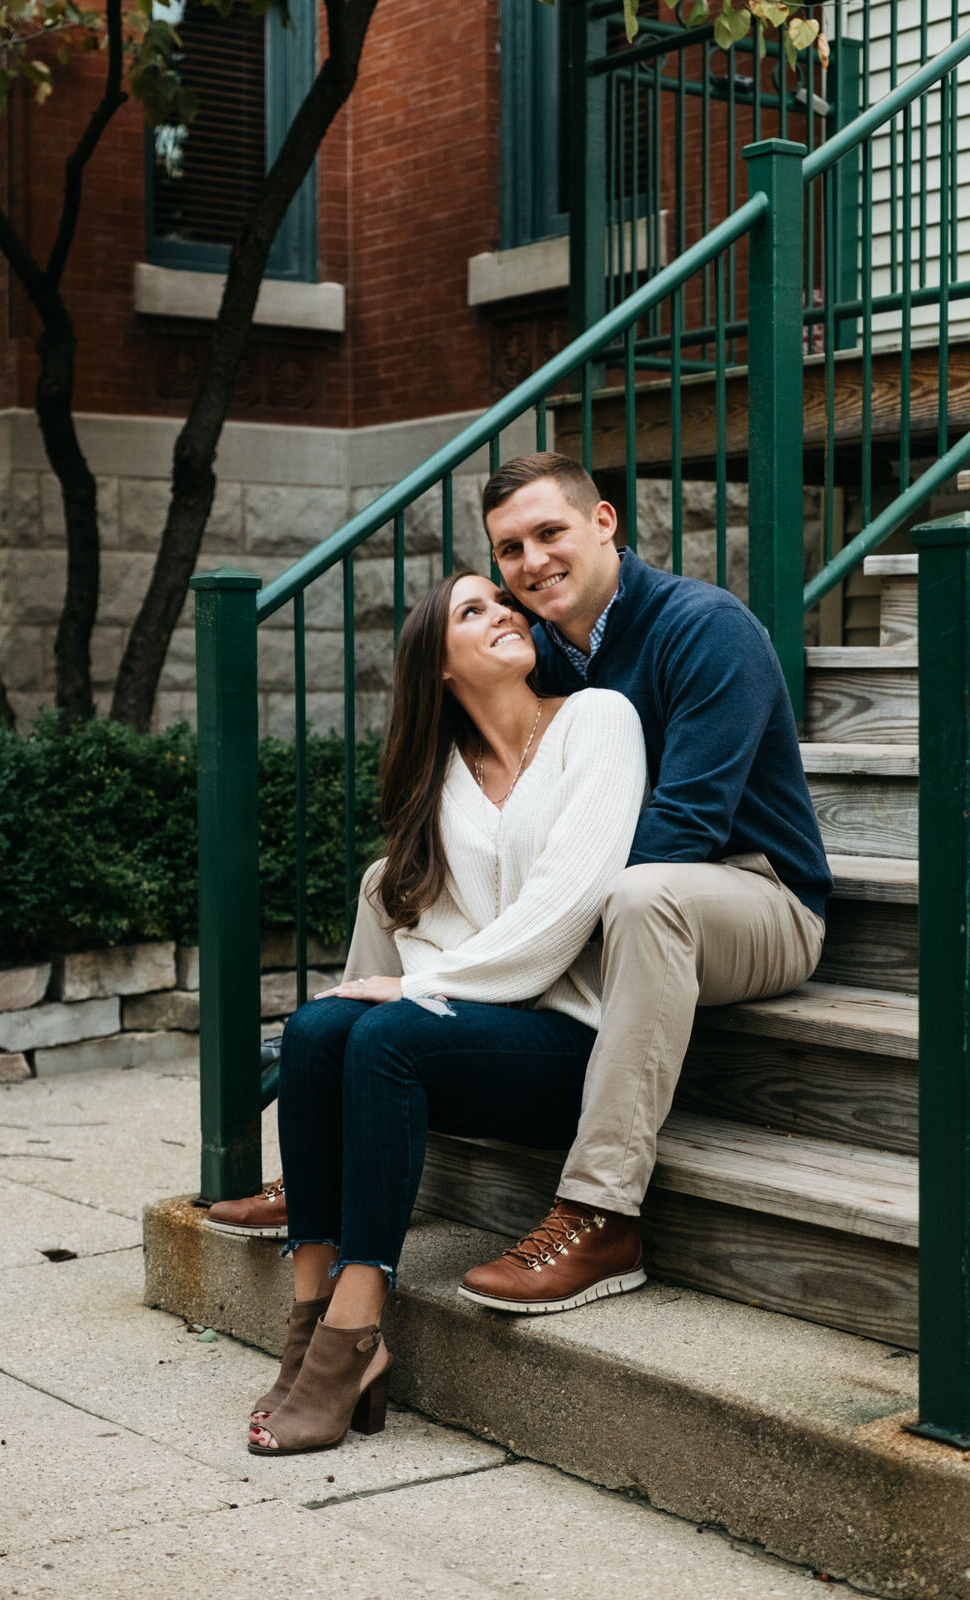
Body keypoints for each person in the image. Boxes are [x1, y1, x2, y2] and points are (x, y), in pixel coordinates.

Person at [245, 568, 648, 1455]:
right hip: (469, 1031)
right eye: (475, 610)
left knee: (386, 1032)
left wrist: (423, 985)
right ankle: (310, 1311)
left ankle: (356, 1329)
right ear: (438, 666)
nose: (506, 611)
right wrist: (421, 981)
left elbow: (570, 902)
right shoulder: (438, 778)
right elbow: (423, 927)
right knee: (315, 1028)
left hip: (569, 1039)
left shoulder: (597, 720)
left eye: (503, 602)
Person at [448, 451, 831, 1311]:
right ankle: (326, 1159)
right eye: (509, 550)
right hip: (616, 903)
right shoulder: (540, 655)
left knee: (642, 894)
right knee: (386, 879)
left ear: (604, 524)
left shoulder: (704, 626)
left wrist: (535, 926)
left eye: (550, 533)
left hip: (755, 898)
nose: (531, 562)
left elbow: (684, 830)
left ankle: (599, 1213)